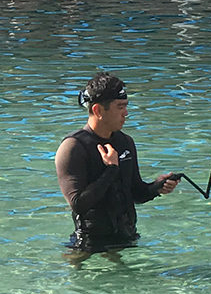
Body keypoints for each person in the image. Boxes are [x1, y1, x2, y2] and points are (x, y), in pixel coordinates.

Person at [55, 72, 179, 254]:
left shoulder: (125, 142)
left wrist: (156, 187)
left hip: (126, 238)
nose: (126, 113)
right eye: (120, 107)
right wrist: (111, 169)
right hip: (88, 245)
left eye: (126, 106)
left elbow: (135, 192)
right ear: (97, 110)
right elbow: (78, 204)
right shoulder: (74, 147)